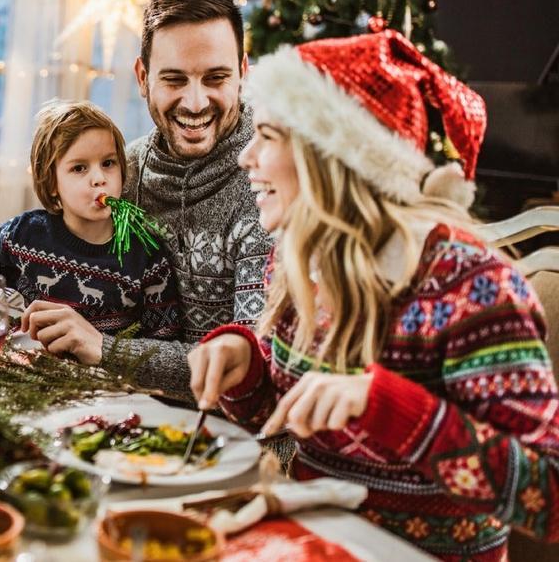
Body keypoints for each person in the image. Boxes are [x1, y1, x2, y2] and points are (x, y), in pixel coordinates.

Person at [187, 31, 557, 560]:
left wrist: (389, 407)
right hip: (309, 543)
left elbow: (550, 498)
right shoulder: (302, 255)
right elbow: (286, 412)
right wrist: (246, 364)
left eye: (267, 135)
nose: (247, 156)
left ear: (333, 160)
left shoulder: (470, 287)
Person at [0, 100, 182, 386]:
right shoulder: (19, 237)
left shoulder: (146, 256)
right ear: (51, 184)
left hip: (104, 391)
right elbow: (2, 310)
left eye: (108, 163)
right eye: (79, 168)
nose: (99, 179)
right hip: (24, 382)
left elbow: (160, 347)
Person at [124, 0, 273, 388]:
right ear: (143, 77)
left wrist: (107, 352)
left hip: (245, 443)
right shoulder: (123, 170)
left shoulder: (273, 185)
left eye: (215, 78)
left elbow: (255, 369)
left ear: (243, 73)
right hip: (122, 423)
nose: (194, 103)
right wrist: (6, 279)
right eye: (174, 79)